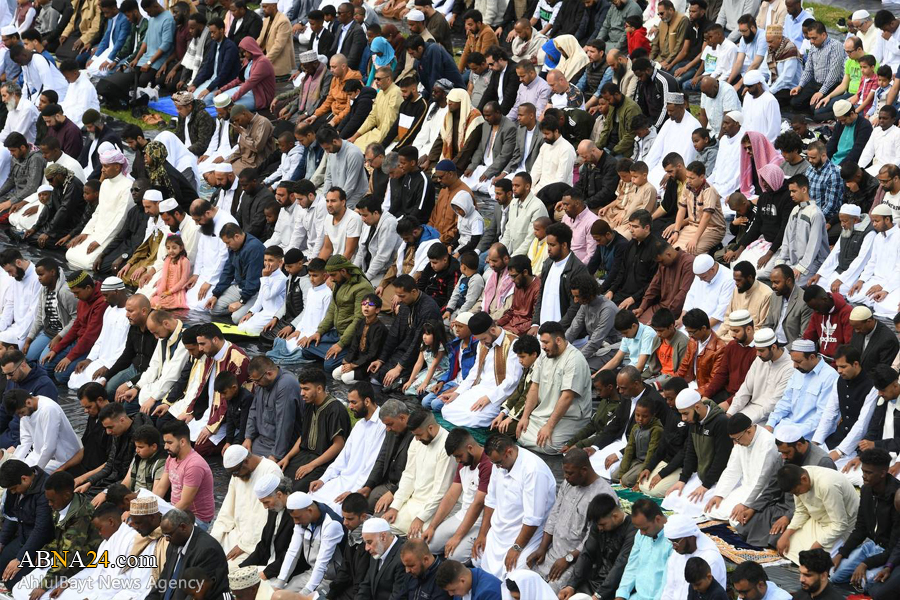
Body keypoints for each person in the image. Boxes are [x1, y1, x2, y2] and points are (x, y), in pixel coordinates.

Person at [527, 448, 615, 592]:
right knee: (521, 582)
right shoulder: (569, 483)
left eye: (570, 473)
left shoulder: (603, 494)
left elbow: (593, 539)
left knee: (548, 593)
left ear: (584, 470)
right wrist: (542, 548)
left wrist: (568, 559)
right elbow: (554, 514)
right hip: (552, 553)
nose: (565, 477)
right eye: (565, 472)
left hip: (577, 562)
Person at [474, 434, 556, 579]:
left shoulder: (533, 470)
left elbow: (533, 519)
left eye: (499, 462)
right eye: (495, 463)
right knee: (477, 557)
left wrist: (516, 547)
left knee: (515, 575)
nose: (497, 467)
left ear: (509, 452)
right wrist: (482, 534)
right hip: (500, 531)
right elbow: (491, 500)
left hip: (527, 535)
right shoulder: (498, 465)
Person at [516, 321, 592, 454]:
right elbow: (534, 387)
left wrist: (549, 427)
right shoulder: (544, 357)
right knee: (521, 434)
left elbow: (567, 397)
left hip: (570, 417)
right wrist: (525, 417)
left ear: (558, 340)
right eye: (542, 342)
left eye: (546, 342)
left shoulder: (574, 360)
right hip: (543, 414)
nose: (543, 347)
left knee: (548, 445)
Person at [830, 448, 900, 592]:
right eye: (863, 471)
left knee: (866, 583)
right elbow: (860, 528)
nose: (864, 476)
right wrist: (841, 553)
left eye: (869, 473)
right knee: (834, 575)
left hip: (888, 552)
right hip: (870, 546)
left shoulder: (896, 497)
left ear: (882, 473)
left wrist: (865, 564)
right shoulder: (866, 490)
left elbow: (894, 545)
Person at [308, 382, 386, 508]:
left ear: (367, 401)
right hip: (343, 480)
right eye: (349, 402)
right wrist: (323, 479)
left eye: (354, 402)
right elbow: (342, 458)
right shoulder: (359, 426)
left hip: (360, 486)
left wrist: (353, 492)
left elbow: (371, 465)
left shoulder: (382, 425)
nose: (350, 406)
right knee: (309, 499)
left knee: (334, 508)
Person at [420, 429, 490, 562]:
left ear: (470, 448)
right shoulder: (464, 462)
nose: (458, 461)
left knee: (454, 557)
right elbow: (451, 495)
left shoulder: (487, 465)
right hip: (462, 515)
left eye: (459, 456)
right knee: (429, 545)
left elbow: (477, 505)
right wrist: (432, 526)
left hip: (480, 521)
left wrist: (457, 537)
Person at [381, 409, 454, 535]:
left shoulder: (446, 446)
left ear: (430, 428)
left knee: (416, 540)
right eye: (414, 435)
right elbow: (409, 474)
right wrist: (395, 506)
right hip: (412, 502)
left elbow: (441, 491)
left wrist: (421, 518)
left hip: (433, 509)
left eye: (419, 435)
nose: (417, 439)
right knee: (382, 528)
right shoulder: (416, 440)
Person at [663, 389, 732, 517]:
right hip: (701, 476)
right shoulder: (694, 421)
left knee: (691, 506)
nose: (683, 419)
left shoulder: (721, 422)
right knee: (672, 498)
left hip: (718, 480)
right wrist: (682, 479)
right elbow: (691, 451)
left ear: (697, 407)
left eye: (685, 414)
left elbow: (721, 458)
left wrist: (706, 485)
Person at [703, 413, 781, 524]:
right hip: (745, 488)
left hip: (762, 492)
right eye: (733, 440)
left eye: (737, 439)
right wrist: (719, 494)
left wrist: (745, 504)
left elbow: (761, 479)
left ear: (748, 431)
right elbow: (731, 470)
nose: (735, 443)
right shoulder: (740, 442)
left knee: (736, 520)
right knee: (713, 510)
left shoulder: (767, 443)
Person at [210, 446, 282, 566]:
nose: (234, 476)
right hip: (236, 534)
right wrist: (215, 538)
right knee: (208, 558)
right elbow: (227, 510)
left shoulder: (271, 470)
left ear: (246, 461)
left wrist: (245, 545)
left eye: (235, 471)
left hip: (256, 542)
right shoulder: (238, 475)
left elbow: (269, 517)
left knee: (229, 570)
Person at [64, 147, 133, 271]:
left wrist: (100, 241)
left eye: (106, 166)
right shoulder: (105, 183)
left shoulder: (127, 186)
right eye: (102, 165)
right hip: (96, 231)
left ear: (117, 167)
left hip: (112, 235)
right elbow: (98, 212)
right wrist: (85, 233)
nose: (102, 169)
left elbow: (121, 219)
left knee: (88, 262)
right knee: (69, 254)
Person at [776, 464, 860, 564]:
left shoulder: (827, 485)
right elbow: (801, 511)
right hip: (818, 520)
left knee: (816, 560)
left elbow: (840, 525)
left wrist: (819, 543)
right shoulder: (799, 477)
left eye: (797, 492)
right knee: (789, 548)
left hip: (843, 526)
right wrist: (786, 534)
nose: (797, 495)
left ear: (804, 479)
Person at [812, 344, 879, 467]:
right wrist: (816, 441)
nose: (839, 371)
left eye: (843, 367)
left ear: (856, 364)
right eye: (837, 367)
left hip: (857, 446)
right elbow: (829, 413)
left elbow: (862, 424)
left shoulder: (872, 387)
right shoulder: (839, 380)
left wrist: (840, 451)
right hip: (836, 438)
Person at [147, 508, 228, 600]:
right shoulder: (174, 544)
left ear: (183, 527)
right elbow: (163, 580)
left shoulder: (207, 551)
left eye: (169, 535)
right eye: (165, 536)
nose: (167, 539)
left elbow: (195, 594)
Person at [154, 421, 216, 528]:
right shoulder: (171, 458)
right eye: (165, 443)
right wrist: (147, 509)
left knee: (157, 533)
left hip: (196, 518)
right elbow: (160, 488)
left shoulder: (194, 465)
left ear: (182, 442)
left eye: (169, 442)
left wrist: (163, 522)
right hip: (175, 509)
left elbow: (185, 502)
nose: (165, 447)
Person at [6, 390, 82, 473]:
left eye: (22, 412)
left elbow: (50, 447)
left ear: (28, 402)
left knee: (24, 478)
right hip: (38, 455)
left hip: (62, 459)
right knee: (15, 472)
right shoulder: (26, 412)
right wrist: (15, 463)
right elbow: (25, 442)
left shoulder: (48, 409)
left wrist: (36, 471)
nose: (21, 416)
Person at [808, 204, 875, 296]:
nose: (842, 224)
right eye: (841, 221)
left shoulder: (870, 233)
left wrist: (841, 280)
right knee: (816, 285)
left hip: (854, 275)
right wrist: (819, 273)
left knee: (835, 291)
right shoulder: (847, 227)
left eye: (845, 221)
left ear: (855, 219)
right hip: (839, 270)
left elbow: (861, 260)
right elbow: (834, 253)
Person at [847, 204, 900, 318]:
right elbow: (872, 262)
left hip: (894, 283)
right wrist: (861, 280)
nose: (874, 224)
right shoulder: (878, 238)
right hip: (875, 280)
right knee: (852, 295)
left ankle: (877, 299)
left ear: (887, 219)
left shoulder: (898, 237)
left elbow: (899, 269)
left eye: (877, 221)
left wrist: (884, 288)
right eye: (873, 221)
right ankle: (874, 298)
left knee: (883, 305)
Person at [613, 499, 672, 599]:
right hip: (638, 596)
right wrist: (621, 595)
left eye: (644, 528)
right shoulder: (641, 534)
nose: (641, 533)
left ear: (657, 519)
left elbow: (668, 583)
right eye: (639, 529)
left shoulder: (673, 539)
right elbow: (632, 566)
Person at [659, 515, 726, 600]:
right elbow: (669, 589)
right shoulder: (676, 554)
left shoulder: (711, 559)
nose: (674, 547)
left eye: (676, 542)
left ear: (690, 536)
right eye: (671, 542)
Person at [789, 21, 845, 113]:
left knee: (815, 108)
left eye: (814, 38)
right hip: (815, 82)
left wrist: (821, 92)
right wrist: (800, 86)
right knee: (795, 103)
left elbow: (834, 74)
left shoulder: (835, 46)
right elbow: (808, 69)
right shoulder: (813, 47)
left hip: (832, 85)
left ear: (823, 35)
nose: (811, 41)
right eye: (810, 38)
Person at [635, 241, 695, 325]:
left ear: (668, 254)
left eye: (661, 261)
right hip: (660, 308)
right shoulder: (663, 264)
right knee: (636, 326)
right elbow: (653, 287)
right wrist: (642, 307)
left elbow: (683, 294)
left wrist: (662, 317)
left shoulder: (688, 262)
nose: (660, 264)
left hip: (677, 313)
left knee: (650, 331)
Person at [357, 517, 409, 598]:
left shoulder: (402, 557)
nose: (366, 548)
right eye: (365, 543)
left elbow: (398, 596)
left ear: (383, 537)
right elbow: (366, 585)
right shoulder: (377, 550)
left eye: (369, 542)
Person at [681, 256, 734, 329]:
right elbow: (691, 296)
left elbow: (721, 312)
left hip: (713, 326)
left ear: (712, 269)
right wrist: (682, 318)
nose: (700, 280)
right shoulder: (701, 274)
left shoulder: (729, 279)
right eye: (698, 277)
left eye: (703, 277)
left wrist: (700, 329)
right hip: (693, 323)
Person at [849, 305, 900, 373]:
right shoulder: (859, 329)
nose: (856, 331)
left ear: (869, 321)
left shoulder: (887, 339)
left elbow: (883, 371)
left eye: (858, 328)